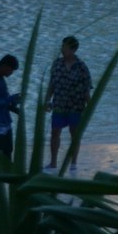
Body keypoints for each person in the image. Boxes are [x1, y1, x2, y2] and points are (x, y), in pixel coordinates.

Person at [45, 35, 92, 173]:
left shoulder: (82, 67)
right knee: (55, 132)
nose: (62, 49)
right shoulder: (57, 64)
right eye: (62, 46)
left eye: (64, 46)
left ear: (73, 49)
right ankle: (53, 162)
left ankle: (73, 162)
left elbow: (86, 89)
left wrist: (89, 106)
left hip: (76, 105)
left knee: (74, 134)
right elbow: (52, 85)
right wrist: (47, 100)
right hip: (59, 103)